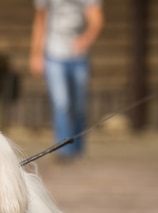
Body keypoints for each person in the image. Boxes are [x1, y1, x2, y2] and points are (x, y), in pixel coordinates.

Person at [30, 0, 104, 159]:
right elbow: (40, 21)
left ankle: (77, 149)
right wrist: (36, 54)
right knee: (61, 103)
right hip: (53, 55)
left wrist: (86, 39)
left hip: (79, 57)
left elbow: (96, 19)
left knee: (78, 106)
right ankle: (63, 150)